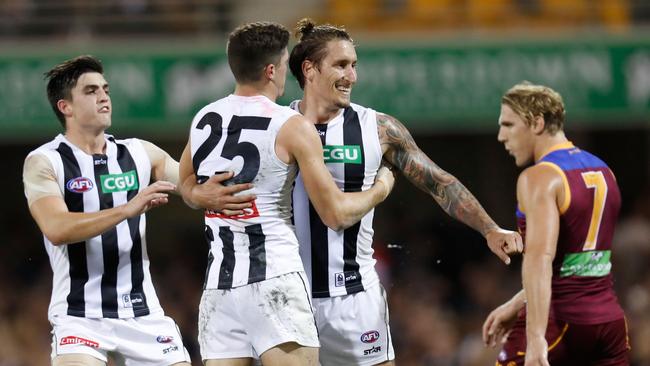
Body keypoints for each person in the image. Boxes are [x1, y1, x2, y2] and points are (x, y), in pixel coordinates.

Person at [286, 18, 524, 366]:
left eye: (354, 65)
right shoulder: (276, 126)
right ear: (309, 69)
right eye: (340, 65)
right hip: (290, 298)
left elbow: (438, 183)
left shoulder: (379, 129)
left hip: (356, 300)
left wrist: (489, 228)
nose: (352, 76)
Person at [177, 21, 396, 366]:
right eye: (282, 66)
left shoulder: (205, 118)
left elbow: (185, 184)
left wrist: (202, 196)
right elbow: (336, 214)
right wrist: (382, 187)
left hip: (220, 286)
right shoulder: (291, 125)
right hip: (275, 279)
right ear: (270, 70)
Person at [22, 55, 250, 366]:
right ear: (66, 107)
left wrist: (209, 192)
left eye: (106, 89)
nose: (104, 96)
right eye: (90, 91)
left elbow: (191, 190)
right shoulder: (44, 162)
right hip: (80, 316)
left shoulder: (141, 153)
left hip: (143, 315)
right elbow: (56, 228)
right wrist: (127, 209)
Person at [482, 82, 631, 365]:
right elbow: (575, 265)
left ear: (536, 123)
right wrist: (517, 303)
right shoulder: (603, 169)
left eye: (509, 125)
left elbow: (540, 259)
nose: (501, 136)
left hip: (560, 323)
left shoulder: (539, 178)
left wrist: (537, 337)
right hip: (610, 324)